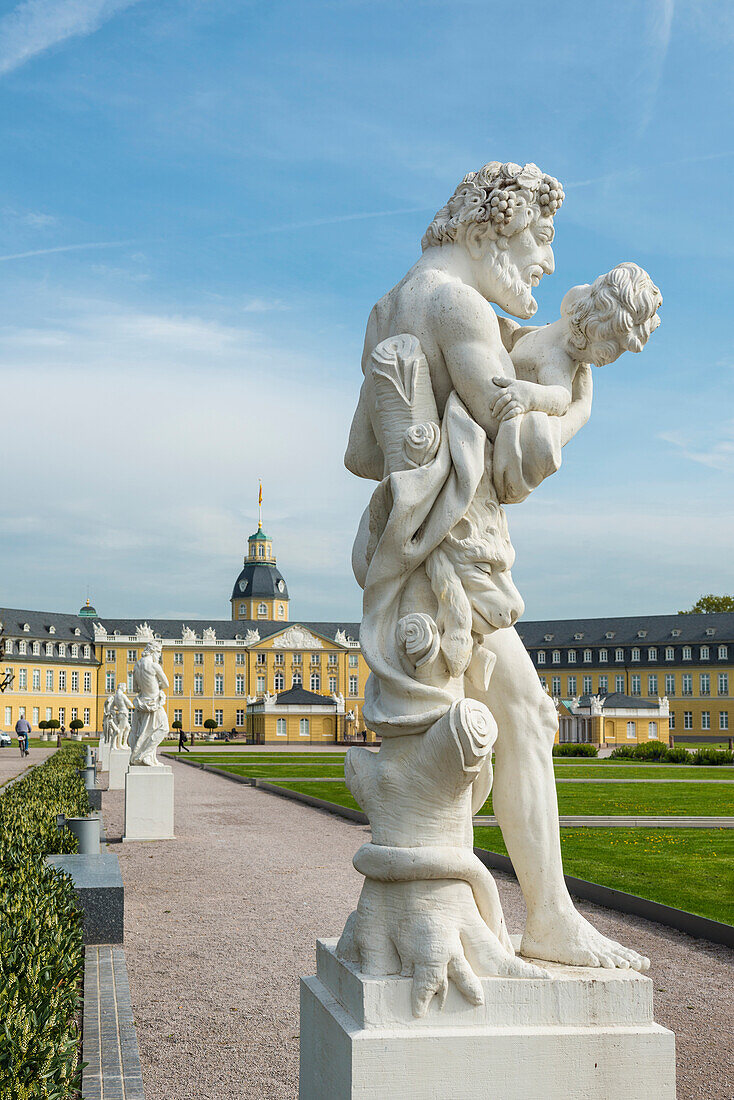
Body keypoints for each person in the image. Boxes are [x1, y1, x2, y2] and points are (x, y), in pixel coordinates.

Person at [345, 160, 648, 972]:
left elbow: (360, 452)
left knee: (516, 716)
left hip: (415, 553)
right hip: (456, 563)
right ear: (486, 231)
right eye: (539, 239)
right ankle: (548, 918)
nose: (547, 264)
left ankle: (533, 912)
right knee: (524, 716)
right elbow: (519, 454)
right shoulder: (457, 303)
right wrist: (578, 407)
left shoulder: (391, 306)